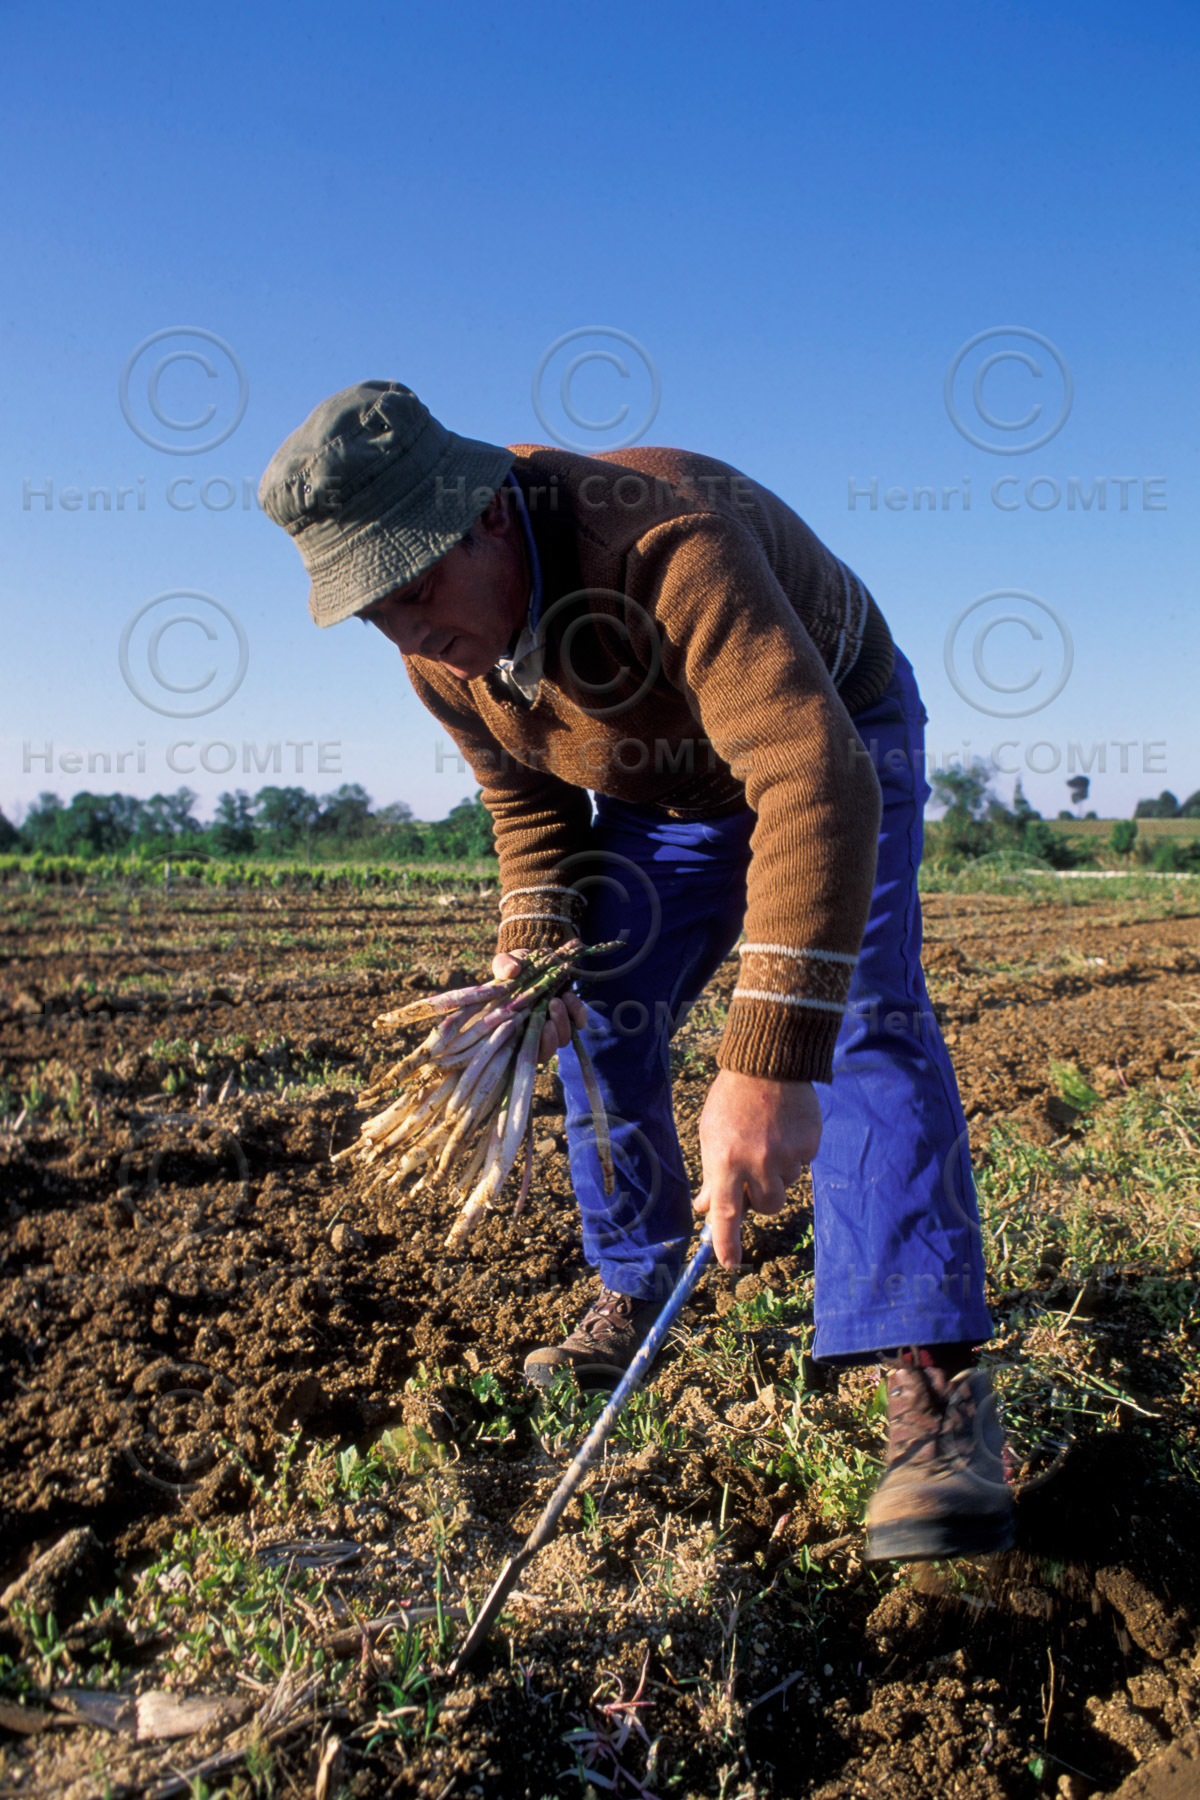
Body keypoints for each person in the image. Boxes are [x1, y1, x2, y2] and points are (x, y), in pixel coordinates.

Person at [260, 380, 1014, 1561]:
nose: (408, 634)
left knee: (859, 1016)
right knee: (593, 1002)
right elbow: (529, 803)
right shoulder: (442, 653)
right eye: (375, 615)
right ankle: (636, 1283)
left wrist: (766, 1060)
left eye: (414, 591)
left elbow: (808, 777)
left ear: (487, 519)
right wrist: (535, 943)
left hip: (833, 743)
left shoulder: (661, 542)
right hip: (672, 796)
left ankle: (934, 1391)